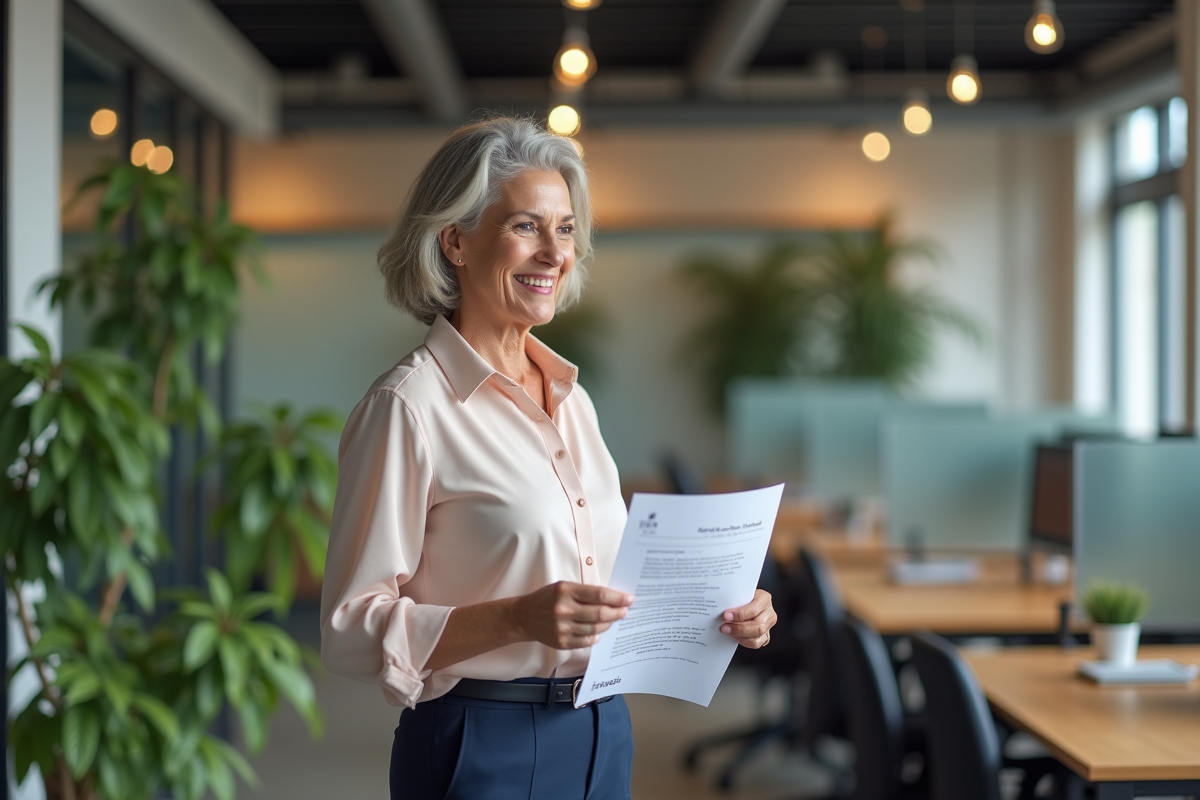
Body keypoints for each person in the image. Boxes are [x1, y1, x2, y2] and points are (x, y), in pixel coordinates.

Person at [319, 116, 778, 800]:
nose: (555, 253)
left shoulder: (572, 400)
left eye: (564, 229)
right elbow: (348, 632)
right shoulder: (408, 407)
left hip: (602, 728)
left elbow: (596, 585)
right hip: (483, 741)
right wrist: (513, 618)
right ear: (456, 242)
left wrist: (723, 609)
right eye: (526, 226)